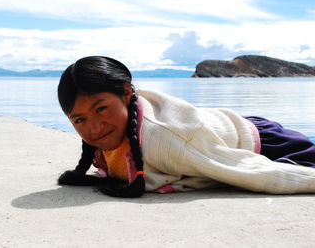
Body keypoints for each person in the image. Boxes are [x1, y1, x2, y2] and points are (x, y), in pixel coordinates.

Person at [57, 56, 315, 198]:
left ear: (126, 93)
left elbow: (246, 170)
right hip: (215, 134)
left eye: (101, 109)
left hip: (269, 145)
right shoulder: (122, 127)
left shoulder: (163, 139)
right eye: (79, 120)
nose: (94, 127)